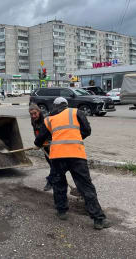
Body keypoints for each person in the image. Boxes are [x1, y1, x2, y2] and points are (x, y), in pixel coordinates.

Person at [34, 97, 111, 230]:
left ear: (55, 106)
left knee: (59, 183)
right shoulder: (76, 112)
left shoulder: (48, 119)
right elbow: (87, 130)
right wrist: (74, 136)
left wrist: (38, 144)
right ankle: (98, 220)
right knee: (86, 186)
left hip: (58, 156)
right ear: (66, 105)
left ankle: (62, 212)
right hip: (76, 155)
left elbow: (40, 138)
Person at [29, 103, 55, 191]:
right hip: (43, 144)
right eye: (31, 114)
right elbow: (36, 132)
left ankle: (50, 182)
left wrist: (48, 143)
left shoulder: (45, 119)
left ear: (39, 112)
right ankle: (54, 175)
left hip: (52, 144)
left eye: (35, 113)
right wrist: (38, 143)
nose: (33, 115)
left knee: (53, 163)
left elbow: (50, 132)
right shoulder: (33, 120)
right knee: (50, 162)